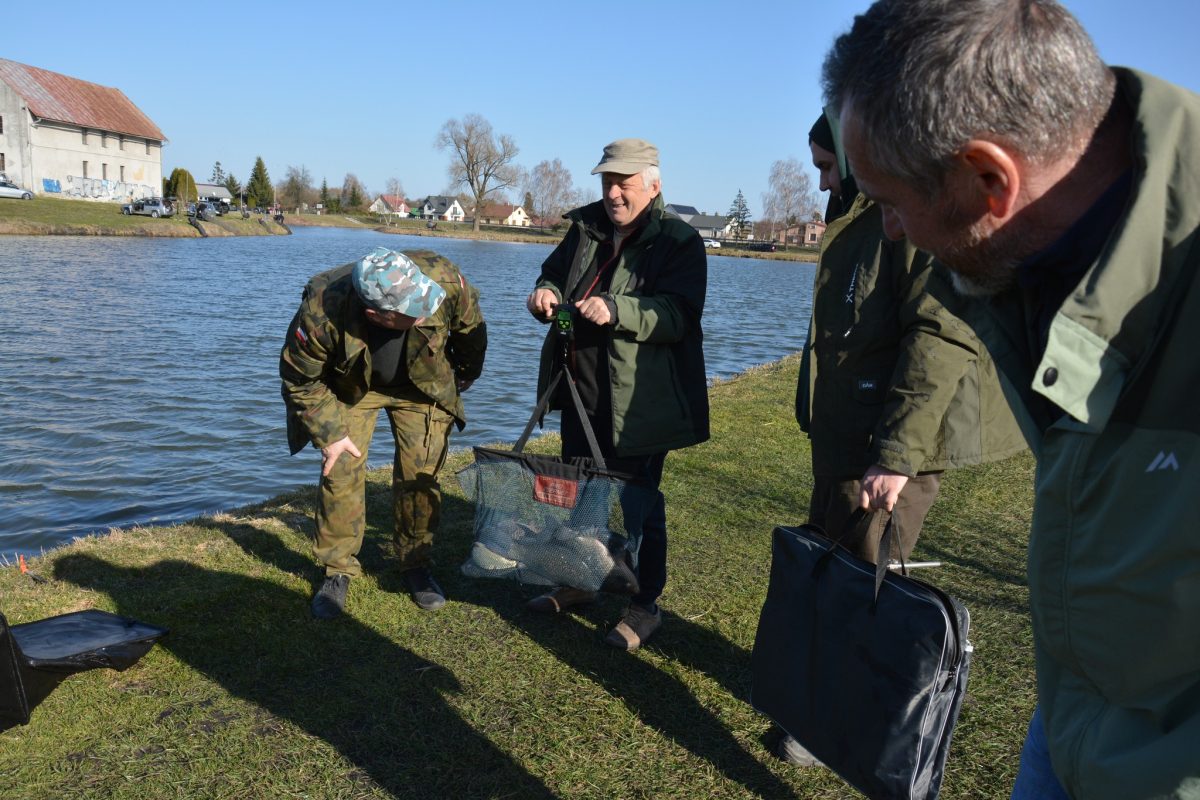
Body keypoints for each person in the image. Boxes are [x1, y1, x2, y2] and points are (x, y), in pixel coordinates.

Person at [823, 1, 1200, 798]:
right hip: (1070, 719)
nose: (887, 230)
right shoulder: (1032, 263)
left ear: (990, 179)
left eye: (890, 202)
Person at [775, 109, 1024, 767]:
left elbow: (940, 336)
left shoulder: (914, 213)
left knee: (866, 579)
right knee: (835, 563)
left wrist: (897, 453)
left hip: (893, 440)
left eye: (828, 167)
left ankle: (847, 717)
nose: (823, 184)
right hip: (850, 429)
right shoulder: (858, 212)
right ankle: (837, 691)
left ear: (857, 159)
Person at [524, 138, 709, 651]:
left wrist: (616, 310)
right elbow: (554, 275)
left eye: (624, 183)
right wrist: (545, 293)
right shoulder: (584, 227)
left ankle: (644, 606)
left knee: (639, 505)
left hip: (640, 405)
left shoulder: (679, 240)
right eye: (607, 181)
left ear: (653, 183)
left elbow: (678, 315)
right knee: (581, 490)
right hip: (578, 388)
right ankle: (581, 583)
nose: (613, 193)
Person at [281, 247, 487, 618]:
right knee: (340, 471)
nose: (426, 310)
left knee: (419, 476)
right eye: (414, 310)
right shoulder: (321, 310)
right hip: (351, 387)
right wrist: (329, 434)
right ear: (377, 315)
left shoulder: (441, 278)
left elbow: (470, 328)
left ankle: (415, 564)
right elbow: (300, 379)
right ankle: (337, 569)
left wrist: (466, 373)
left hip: (422, 386)